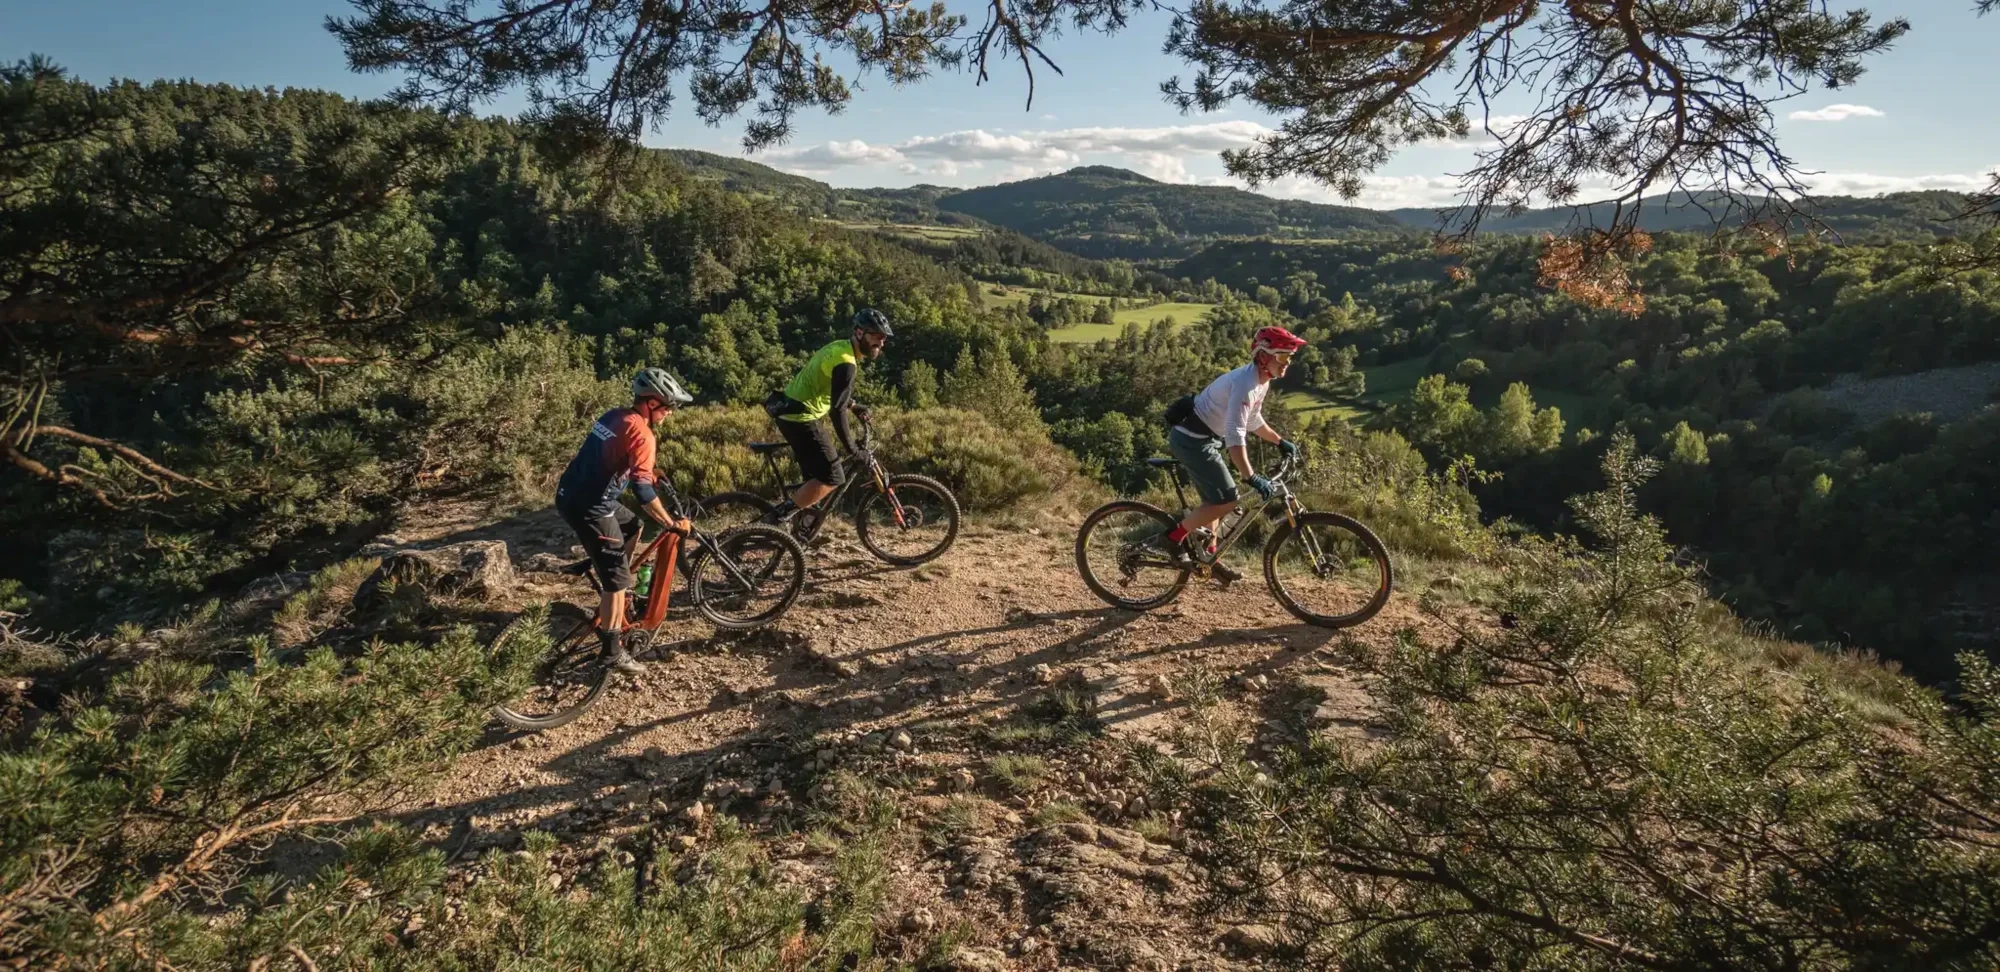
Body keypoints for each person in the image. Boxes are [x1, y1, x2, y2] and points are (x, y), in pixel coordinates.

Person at [555, 368, 694, 675]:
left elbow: (615, 454)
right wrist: (671, 522)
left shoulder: (615, 416)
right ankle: (612, 651)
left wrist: (643, 469)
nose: (671, 412)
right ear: (652, 402)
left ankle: (616, 576)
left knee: (632, 526)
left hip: (569, 493)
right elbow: (643, 492)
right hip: (591, 506)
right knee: (616, 581)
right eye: (668, 405)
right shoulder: (644, 434)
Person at [1158, 325, 1307, 576]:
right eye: (1281, 356)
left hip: (1206, 440)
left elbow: (1253, 420)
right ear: (1262, 356)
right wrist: (1251, 476)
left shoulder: (1261, 381)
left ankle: (1209, 557)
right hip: (1191, 440)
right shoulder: (1245, 384)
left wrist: (1280, 442)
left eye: (1289, 357)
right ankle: (1173, 539)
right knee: (1227, 500)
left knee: (1216, 501)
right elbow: (1235, 435)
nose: (1286, 363)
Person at [762, 308, 891, 520]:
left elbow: (828, 388)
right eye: (876, 337)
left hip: (790, 411)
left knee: (815, 480)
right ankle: (778, 518)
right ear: (860, 333)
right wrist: (854, 451)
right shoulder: (847, 363)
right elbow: (836, 411)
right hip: (801, 418)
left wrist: (854, 405)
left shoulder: (839, 348)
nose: (881, 342)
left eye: (883, 338)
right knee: (833, 476)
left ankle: (801, 530)